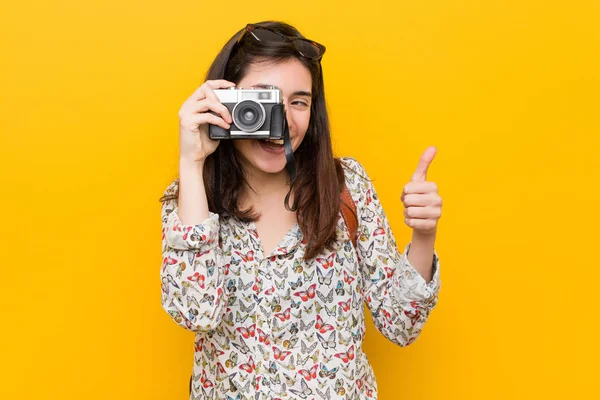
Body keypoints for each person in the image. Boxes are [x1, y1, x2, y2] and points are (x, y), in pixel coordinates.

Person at [159, 20, 442, 400]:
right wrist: (191, 162)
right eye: (263, 101)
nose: (283, 121)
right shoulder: (192, 196)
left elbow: (399, 324)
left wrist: (424, 235)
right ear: (221, 102)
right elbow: (196, 313)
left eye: (298, 102)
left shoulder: (346, 186)